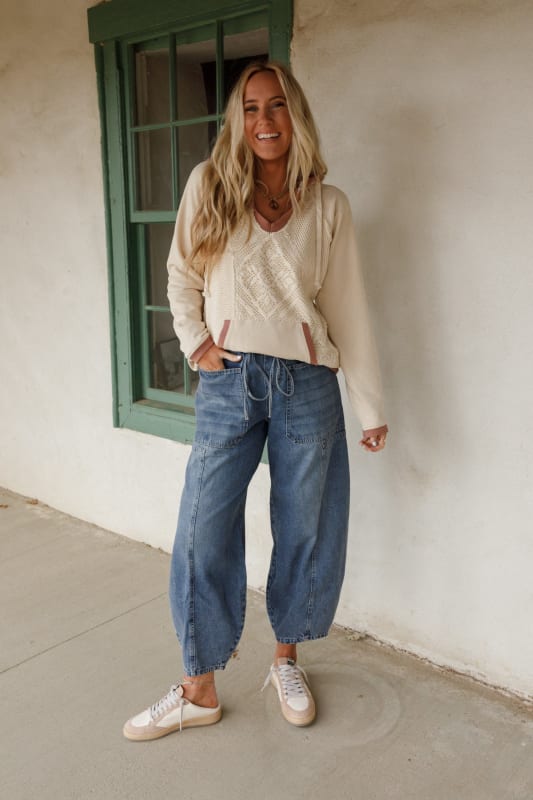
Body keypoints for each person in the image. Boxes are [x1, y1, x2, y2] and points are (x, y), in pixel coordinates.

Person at [123, 61, 388, 741]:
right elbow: (181, 272)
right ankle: (198, 687)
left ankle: (285, 661)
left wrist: (370, 406)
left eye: (276, 106)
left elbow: (347, 307)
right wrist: (196, 344)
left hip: (308, 385)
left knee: (306, 528)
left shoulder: (328, 205)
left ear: (295, 116)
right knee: (201, 529)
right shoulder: (209, 184)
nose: (264, 120)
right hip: (229, 382)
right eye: (250, 108)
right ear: (236, 121)